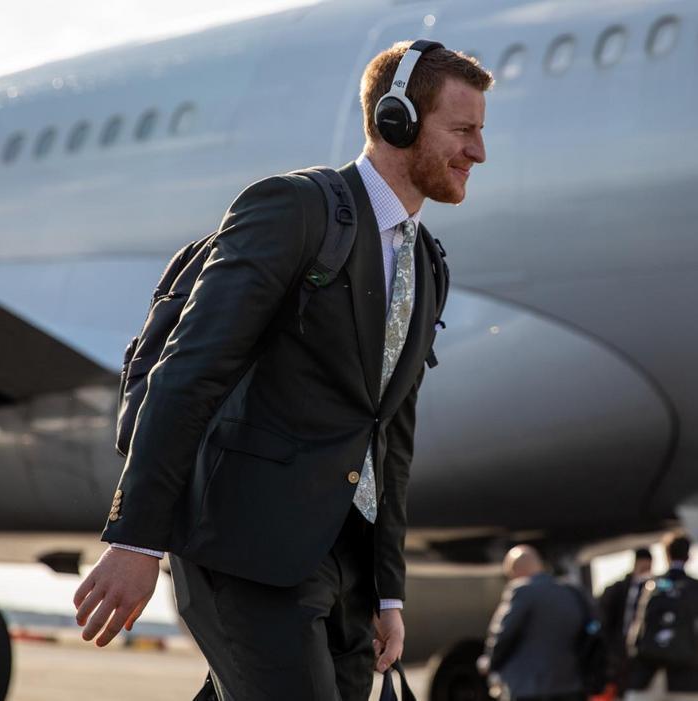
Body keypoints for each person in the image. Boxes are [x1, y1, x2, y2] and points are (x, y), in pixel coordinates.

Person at [72, 40, 492, 700]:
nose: (478, 151)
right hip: (246, 547)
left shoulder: (427, 264)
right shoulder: (293, 209)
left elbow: (390, 436)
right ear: (396, 121)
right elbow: (191, 369)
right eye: (462, 130)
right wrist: (137, 540)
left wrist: (386, 591)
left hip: (345, 566)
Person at [478, 545, 587, 701]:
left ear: (515, 570)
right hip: (570, 685)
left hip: (529, 688)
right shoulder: (571, 592)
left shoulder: (522, 592)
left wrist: (490, 662)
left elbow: (503, 634)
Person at [625, 533, 698, 701]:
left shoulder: (651, 585)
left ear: (666, 554)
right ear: (688, 556)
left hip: (648, 673)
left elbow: (634, 628)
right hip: (686, 674)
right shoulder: (694, 588)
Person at [599, 547, 653, 696]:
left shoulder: (654, 589)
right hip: (620, 650)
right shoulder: (618, 590)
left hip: (643, 652)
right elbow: (605, 621)